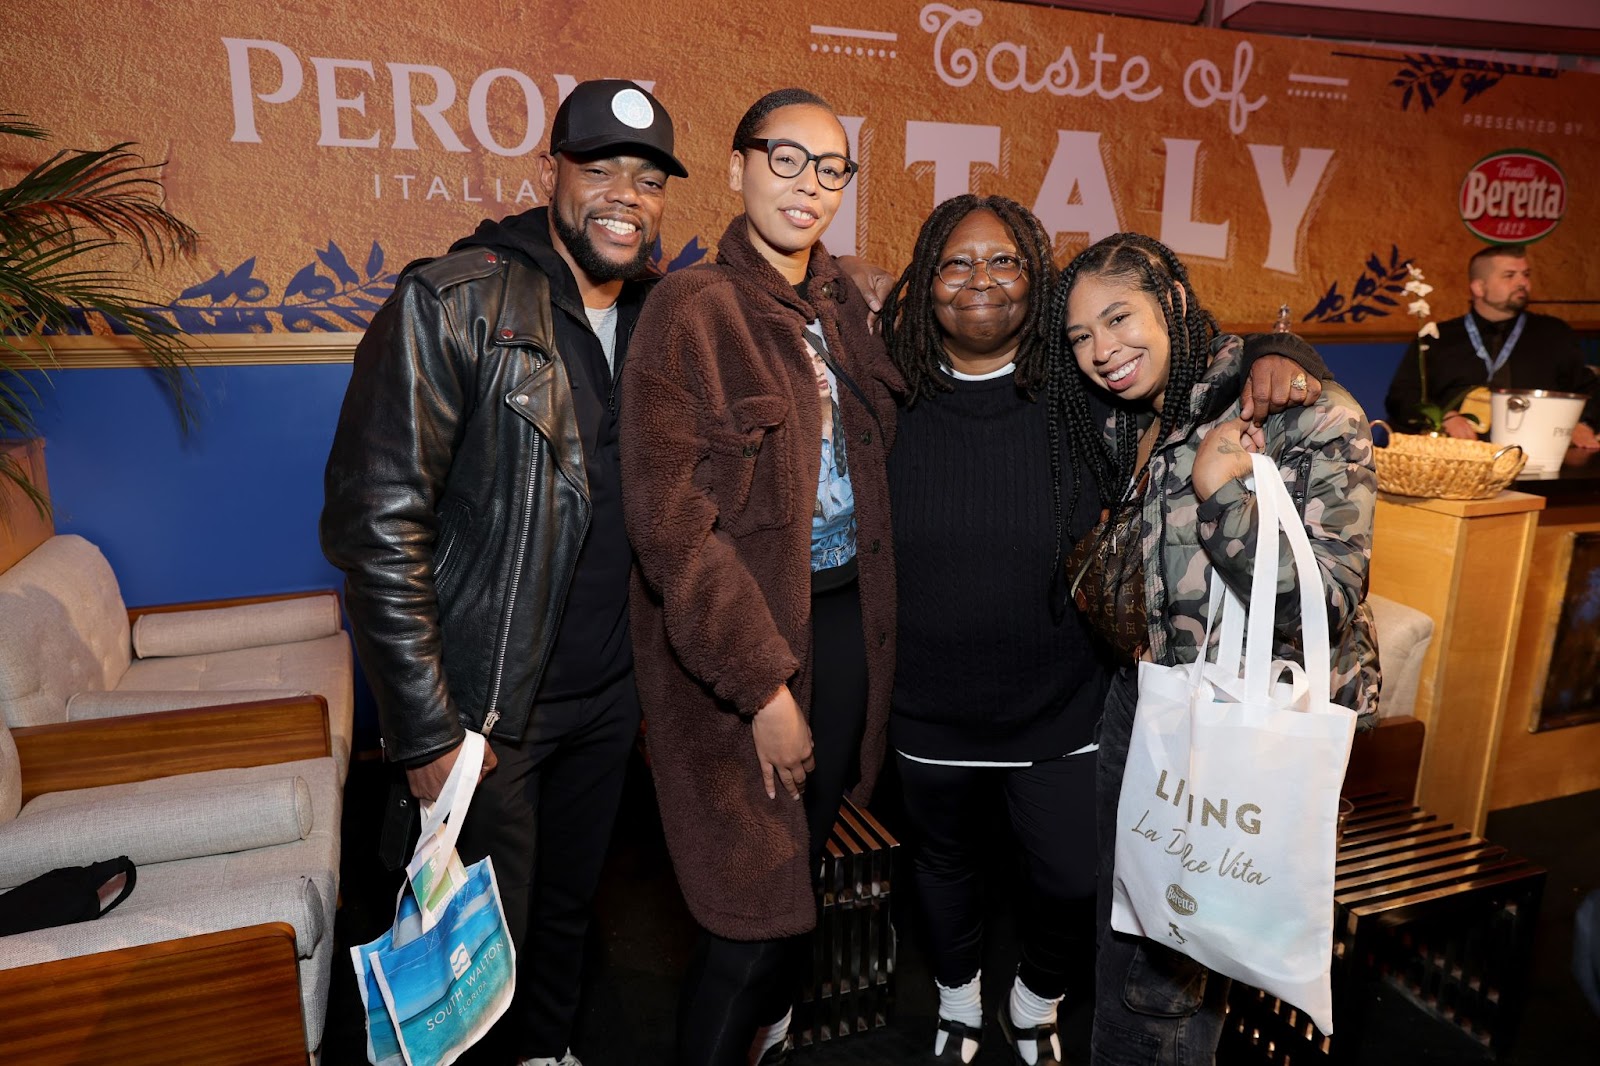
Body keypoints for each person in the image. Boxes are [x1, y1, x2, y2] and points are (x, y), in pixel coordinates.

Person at [878, 199, 1334, 1066]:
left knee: (1073, 876)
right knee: (941, 867)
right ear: (924, 283)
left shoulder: (1085, 395)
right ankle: (957, 994)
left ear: (1037, 285)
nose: (981, 280)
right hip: (926, 705)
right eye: (955, 264)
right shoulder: (889, 394)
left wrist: (1283, 352)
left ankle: (1037, 993)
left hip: (1063, 702)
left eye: (1006, 262)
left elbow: (1198, 370)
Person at [321, 79, 689, 1066]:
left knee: (570, 910)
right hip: (486, 711)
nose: (625, 195)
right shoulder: (455, 298)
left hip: (606, 699)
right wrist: (427, 729)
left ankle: (551, 1049)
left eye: (647, 178)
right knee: (474, 948)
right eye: (601, 166)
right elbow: (374, 525)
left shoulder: (658, 319)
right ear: (553, 172)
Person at [619, 87, 901, 1066]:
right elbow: (672, 529)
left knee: (797, 879)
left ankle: (764, 1041)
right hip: (738, 645)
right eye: (786, 159)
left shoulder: (842, 306)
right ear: (737, 167)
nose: (808, 185)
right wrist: (764, 685)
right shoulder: (689, 310)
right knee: (748, 909)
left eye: (830, 168)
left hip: (842, 627)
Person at [1052, 232, 1380, 1066]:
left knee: (1169, 967)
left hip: (1253, 713)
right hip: (1155, 698)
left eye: (1119, 318)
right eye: (1081, 337)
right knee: (1133, 925)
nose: (1102, 352)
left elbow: (1328, 602)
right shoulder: (1144, 410)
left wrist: (1220, 490)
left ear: (1169, 303)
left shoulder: (1312, 412)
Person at [1385, 243, 1600, 447]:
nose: (1522, 283)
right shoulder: (1438, 337)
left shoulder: (1553, 333)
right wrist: (1444, 417)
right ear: (1479, 287)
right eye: (1509, 275)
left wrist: (1584, 423)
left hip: (1539, 456)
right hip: (1458, 458)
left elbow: (1589, 389)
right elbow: (1402, 398)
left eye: (1525, 275)